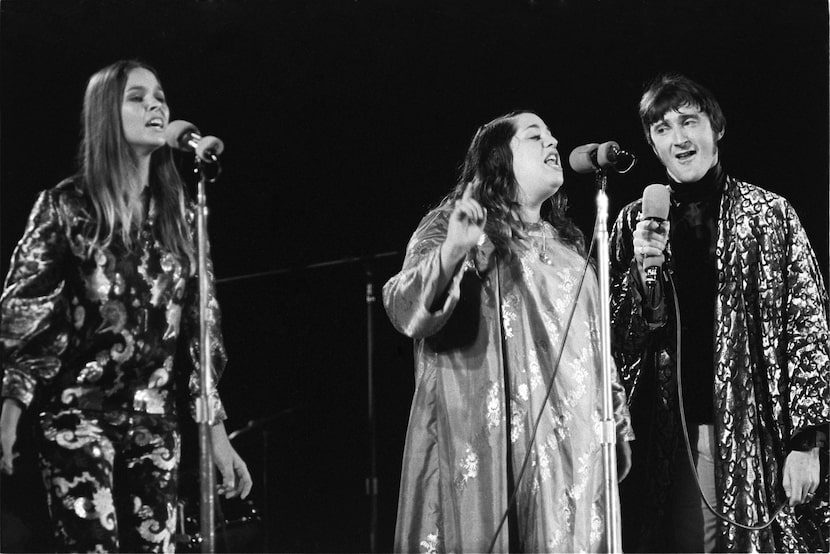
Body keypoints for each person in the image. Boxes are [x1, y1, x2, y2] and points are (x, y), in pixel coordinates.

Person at [0, 60, 252, 552]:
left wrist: (217, 437)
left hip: (156, 420)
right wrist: (9, 412)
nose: (156, 105)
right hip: (79, 415)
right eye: (138, 97)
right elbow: (20, 315)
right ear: (105, 115)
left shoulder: (180, 213)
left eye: (160, 96)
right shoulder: (67, 206)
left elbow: (203, 330)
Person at [383, 110, 634, 553]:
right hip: (487, 455)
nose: (553, 143)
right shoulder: (455, 225)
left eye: (554, 135)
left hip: (569, 461)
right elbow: (404, 308)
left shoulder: (571, 253)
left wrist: (618, 427)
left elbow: (601, 351)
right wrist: (453, 252)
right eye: (536, 136)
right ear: (498, 159)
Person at [609, 73, 829, 552]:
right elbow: (616, 345)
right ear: (651, 142)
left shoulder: (768, 215)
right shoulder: (633, 222)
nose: (679, 138)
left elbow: (808, 331)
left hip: (755, 439)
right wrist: (643, 273)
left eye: (690, 121)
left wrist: (807, 442)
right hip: (663, 441)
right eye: (663, 129)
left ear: (717, 128)